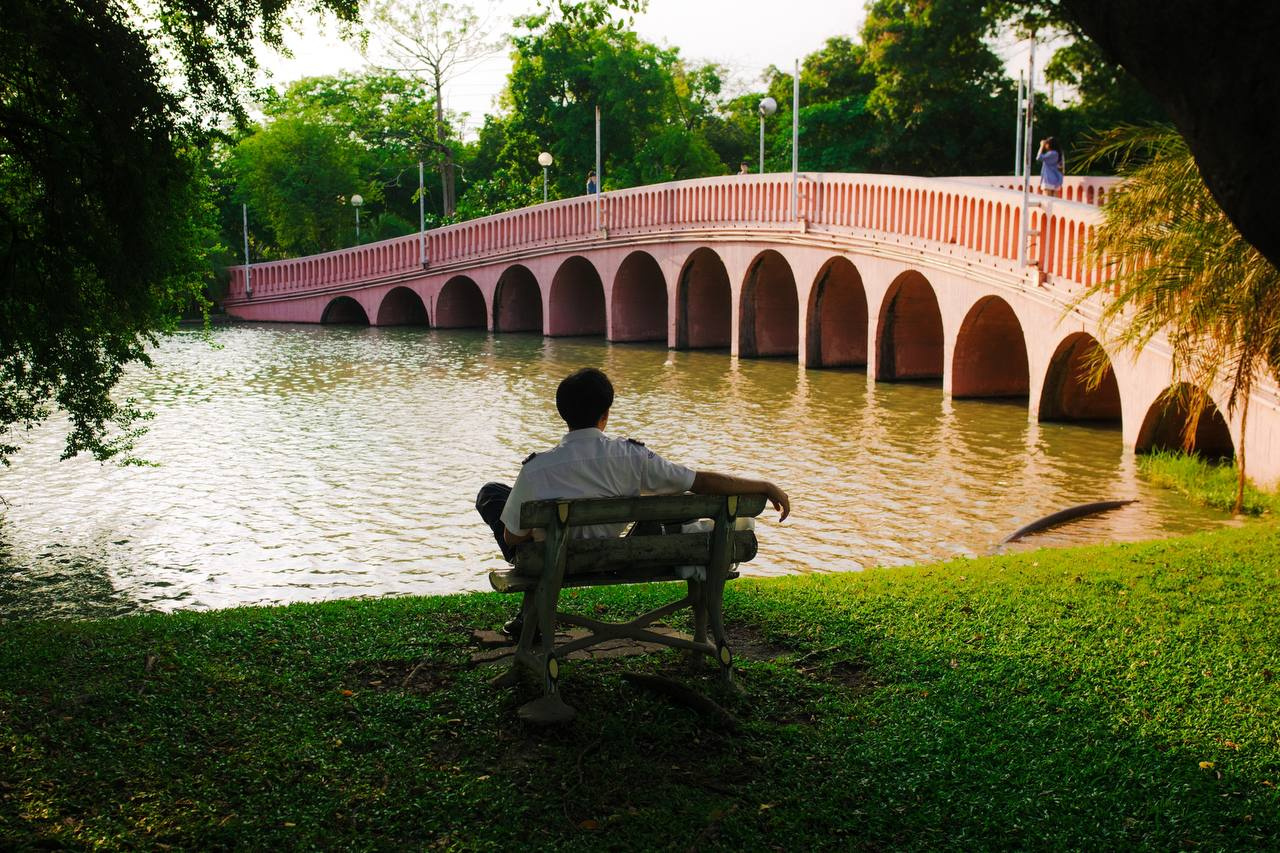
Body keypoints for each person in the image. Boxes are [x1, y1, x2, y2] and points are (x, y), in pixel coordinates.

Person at [475, 367, 790, 637]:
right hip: (612, 555)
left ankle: (530, 617)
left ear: (562, 413)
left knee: (493, 493)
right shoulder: (633, 457)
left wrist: (536, 530)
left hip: (552, 562)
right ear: (605, 414)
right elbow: (700, 482)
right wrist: (763, 484)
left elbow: (512, 538)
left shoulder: (537, 470)